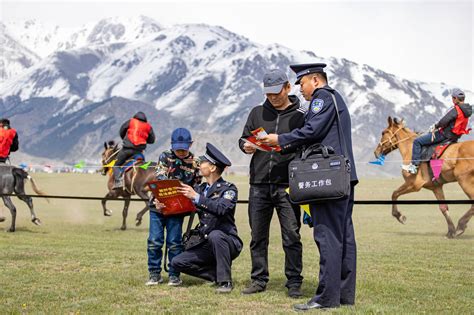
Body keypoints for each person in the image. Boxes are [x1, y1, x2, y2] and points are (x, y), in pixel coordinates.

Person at [260, 63, 358, 310]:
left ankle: (325, 298)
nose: (300, 89)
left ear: (315, 80)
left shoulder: (321, 99)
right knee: (344, 236)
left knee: (327, 236)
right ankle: (343, 295)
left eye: (301, 83)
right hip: (343, 176)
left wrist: (279, 139)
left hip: (329, 177)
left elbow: (311, 131)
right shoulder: (336, 98)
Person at [238, 69, 305, 298]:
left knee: (292, 235)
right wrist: (245, 145)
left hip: (287, 185)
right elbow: (243, 137)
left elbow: (306, 142)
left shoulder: (301, 115)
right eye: (268, 94)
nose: (272, 97)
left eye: (276, 92)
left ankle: (294, 282)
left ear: (287, 87)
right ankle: (258, 279)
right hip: (258, 184)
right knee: (258, 236)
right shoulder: (257, 113)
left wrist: (284, 145)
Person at [170, 143, 243, 294]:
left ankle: (225, 282)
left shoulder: (229, 189)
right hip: (205, 242)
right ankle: (215, 275)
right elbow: (184, 207)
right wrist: (163, 204)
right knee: (177, 262)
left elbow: (221, 209)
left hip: (227, 241)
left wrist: (196, 197)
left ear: (212, 168)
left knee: (215, 235)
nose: (199, 164)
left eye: (203, 162)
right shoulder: (200, 189)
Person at [146, 128, 201, 286]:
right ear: (172, 145)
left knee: (175, 242)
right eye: (178, 149)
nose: (181, 152)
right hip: (158, 206)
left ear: (190, 145)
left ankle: (174, 274)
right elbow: (160, 177)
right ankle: (154, 273)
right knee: (154, 240)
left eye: (184, 148)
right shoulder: (164, 156)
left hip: (177, 209)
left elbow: (196, 185)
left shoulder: (195, 162)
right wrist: (159, 197)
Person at [406, 88, 472, 174]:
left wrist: (435, 126)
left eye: (453, 98)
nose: (452, 100)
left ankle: (414, 166)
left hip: (444, 135)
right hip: (454, 138)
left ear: (455, 98)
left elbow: (444, 121)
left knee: (417, 142)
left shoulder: (456, 109)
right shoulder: (467, 111)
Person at [113, 112, 155, 189]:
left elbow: (121, 130)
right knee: (142, 167)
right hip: (139, 152)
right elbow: (152, 140)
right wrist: (144, 139)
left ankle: (119, 182)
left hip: (127, 150)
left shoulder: (131, 121)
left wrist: (125, 139)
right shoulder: (148, 126)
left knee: (116, 165)